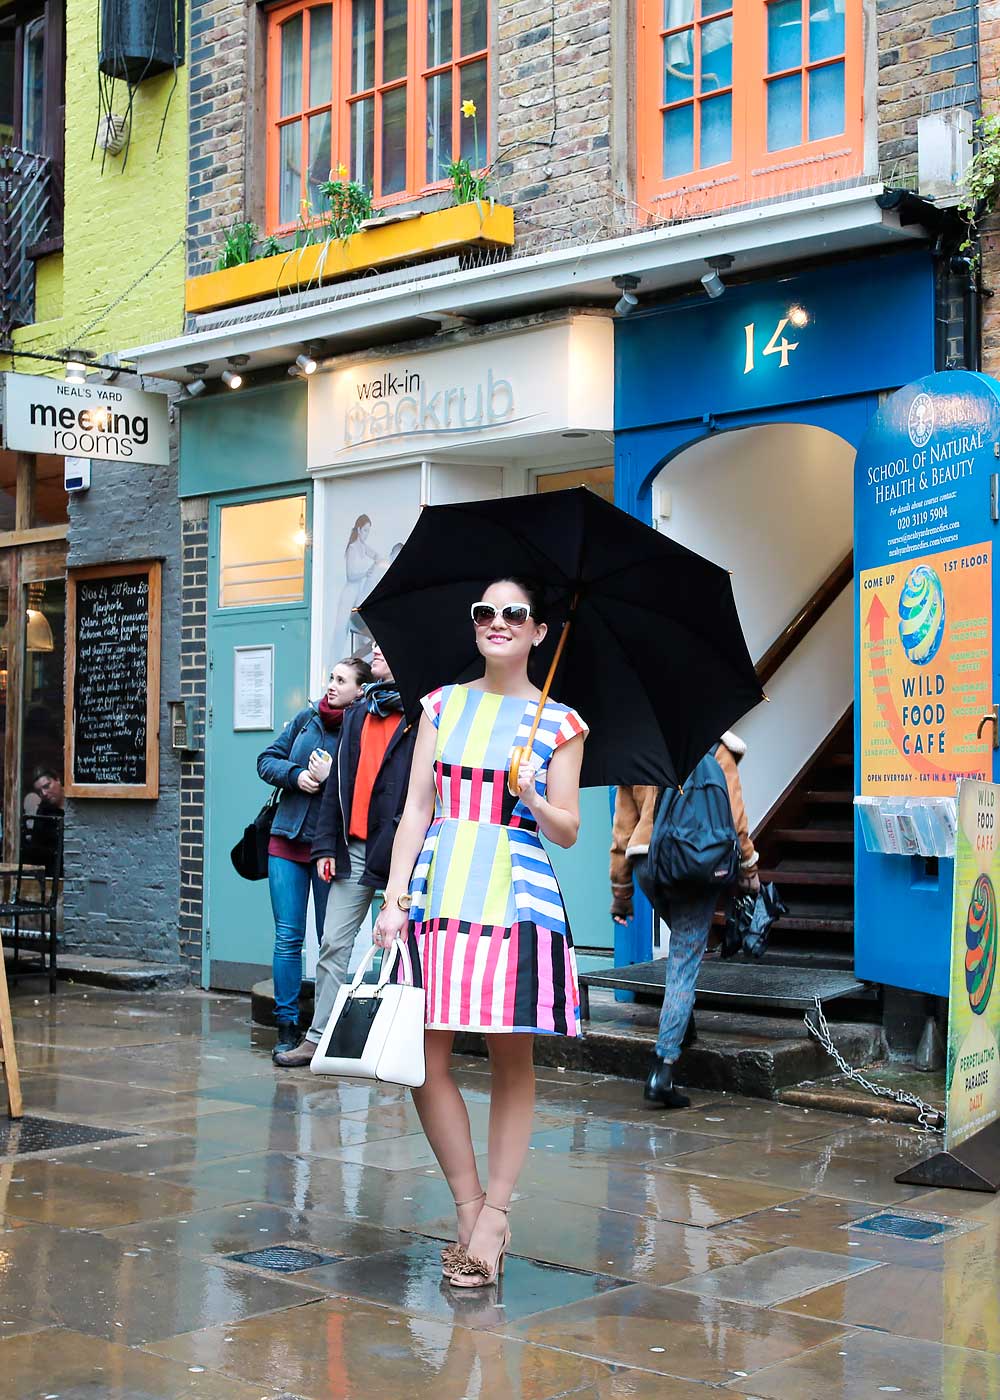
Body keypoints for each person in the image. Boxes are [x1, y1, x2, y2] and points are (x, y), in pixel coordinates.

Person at [373, 578, 587, 1289]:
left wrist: (530, 793)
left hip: (515, 894)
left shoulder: (560, 724)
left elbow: (569, 830)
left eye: (514, 614)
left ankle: (495, 1218)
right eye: (485, 612)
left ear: (538, 633)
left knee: (508, 1059)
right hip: (436, 891)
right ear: (475, 627)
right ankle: (470, 1210)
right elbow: (414, 812)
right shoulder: (441, 704)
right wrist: (393, 899)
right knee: (423, 1061)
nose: (498, 622)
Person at [274, 642, 418, 1068]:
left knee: (402, 952)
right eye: (373, 644)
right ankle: (317, 1038)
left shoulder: (421, 716)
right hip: (352, 848)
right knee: (333, 943)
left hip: (400, 851)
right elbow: (337, 789)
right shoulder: (359, 712)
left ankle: (395, 1041)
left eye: (384, 645)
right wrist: (324, 845)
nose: (375, 648)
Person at [611, 732, 759, 1109]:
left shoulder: (639, 748)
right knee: (684, 959)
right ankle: (663, 1067)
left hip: (649, 863)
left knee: (682, 944)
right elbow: (735, 816)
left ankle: (682, 1026)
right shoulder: (716, 746)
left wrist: (621, 895)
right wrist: (749, 867)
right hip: (698, 862)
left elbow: (621, 832)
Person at [257, 657, 371, 1057]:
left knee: (331, 941)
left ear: (360, 690)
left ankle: (328, 1028)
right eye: (331, 678)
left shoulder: (362, 728)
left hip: (331, 849)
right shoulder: (306, 720)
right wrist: (295, 775)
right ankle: (287, 1024)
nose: (332, 685)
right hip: (286, 840)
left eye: (342, 680)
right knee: (288, 937)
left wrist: (325, 785)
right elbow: (266, 760)